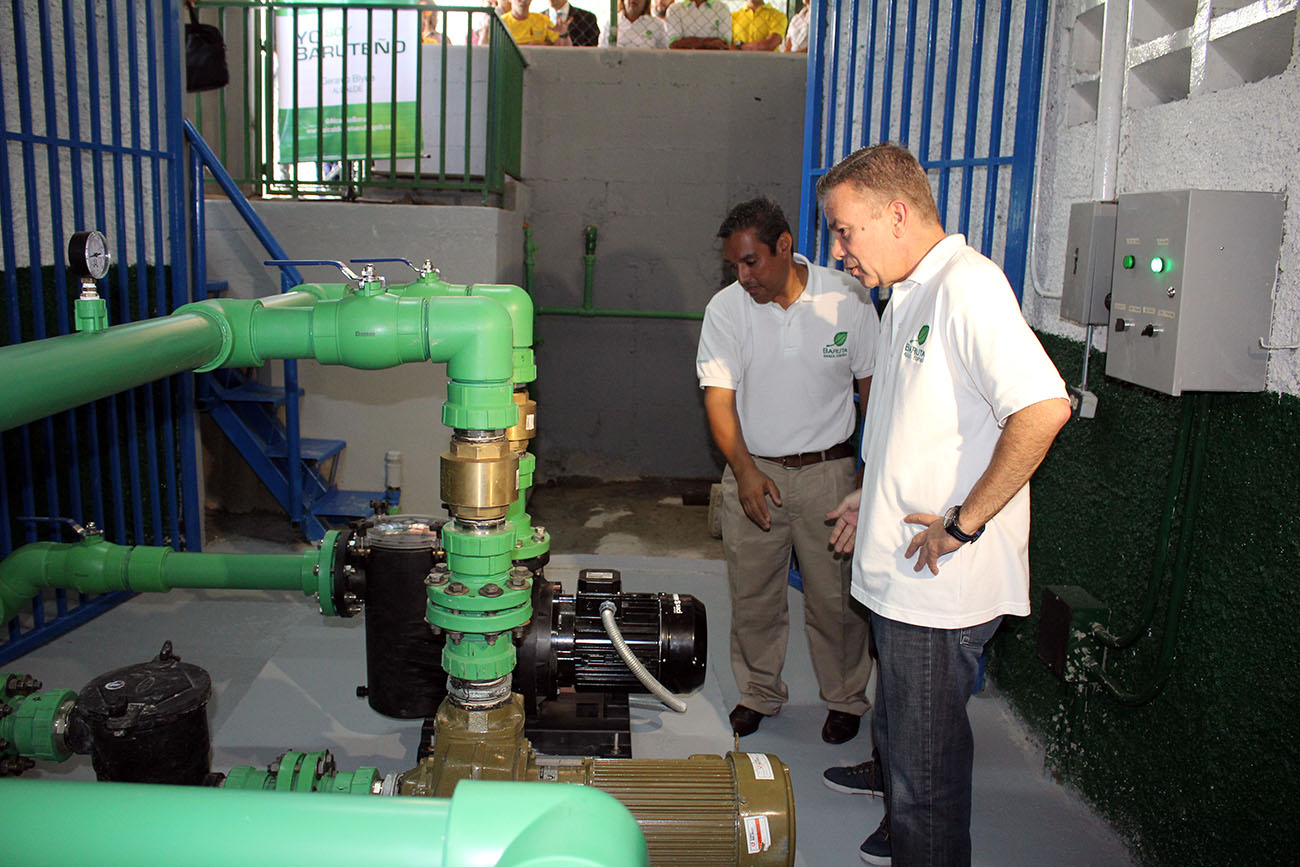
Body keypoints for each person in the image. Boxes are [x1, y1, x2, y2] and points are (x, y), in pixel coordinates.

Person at [817, 143, 1070, 866]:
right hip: (901, 579)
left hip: (939, 589)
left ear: (896, 214)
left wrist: (965, 519)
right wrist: (874, 493)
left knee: (928, 777)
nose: (838, 249)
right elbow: (915, 423)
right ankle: (893, 804)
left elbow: (1043, 408)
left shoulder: (968, 286)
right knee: (902, 729)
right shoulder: (905, 293)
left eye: (844, 229)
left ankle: (913, 825)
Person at [697, 197, 879, 744]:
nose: (743, 275)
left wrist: (873, 474)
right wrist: (745, 472)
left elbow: (874, 391)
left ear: (785, 246)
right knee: (753, 596)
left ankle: (845, 697)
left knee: (836, 600)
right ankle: (758, 692)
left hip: (830, 476)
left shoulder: (846, 298)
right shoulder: (726, 310)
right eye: (734, 265)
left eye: (751, 261)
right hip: (755, 474)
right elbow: (718, 399)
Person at [664, 0, 731, 49]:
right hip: (683, 64)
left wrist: (687, 43)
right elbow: (674, 44)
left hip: (714, 63)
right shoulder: (674, 9)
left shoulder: (722, 8)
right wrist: (708, 43)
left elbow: (724, 44)